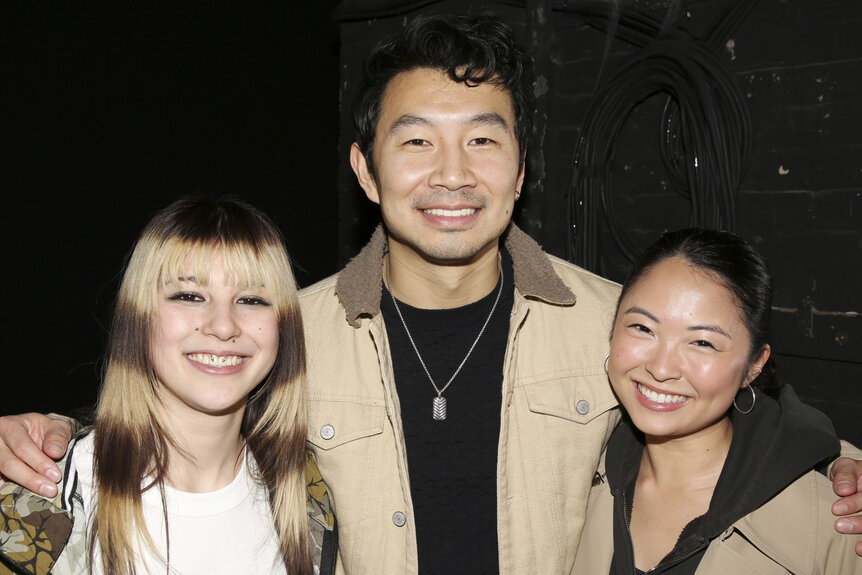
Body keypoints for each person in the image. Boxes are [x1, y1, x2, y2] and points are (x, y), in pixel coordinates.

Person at [0, 15, 860, 575]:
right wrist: (46, 439)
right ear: (366, 172)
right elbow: (178, 417)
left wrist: (842, 466)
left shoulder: (614, 324)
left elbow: (744, 412)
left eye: (484, 140)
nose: (453, 173)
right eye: (416, 141)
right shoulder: (288, 329)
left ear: (521, 171)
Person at [0, 197, 337, 575]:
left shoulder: (307, 497)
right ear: (139, 317)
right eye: (189, 296)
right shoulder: (45, 498)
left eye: (251, 299)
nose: (223, 326)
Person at [573, 228, 861, 574]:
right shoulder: (574, 472)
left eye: (703, 343)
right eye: (642, 328)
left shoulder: (832, 524)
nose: (661, 368)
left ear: (754, 366)